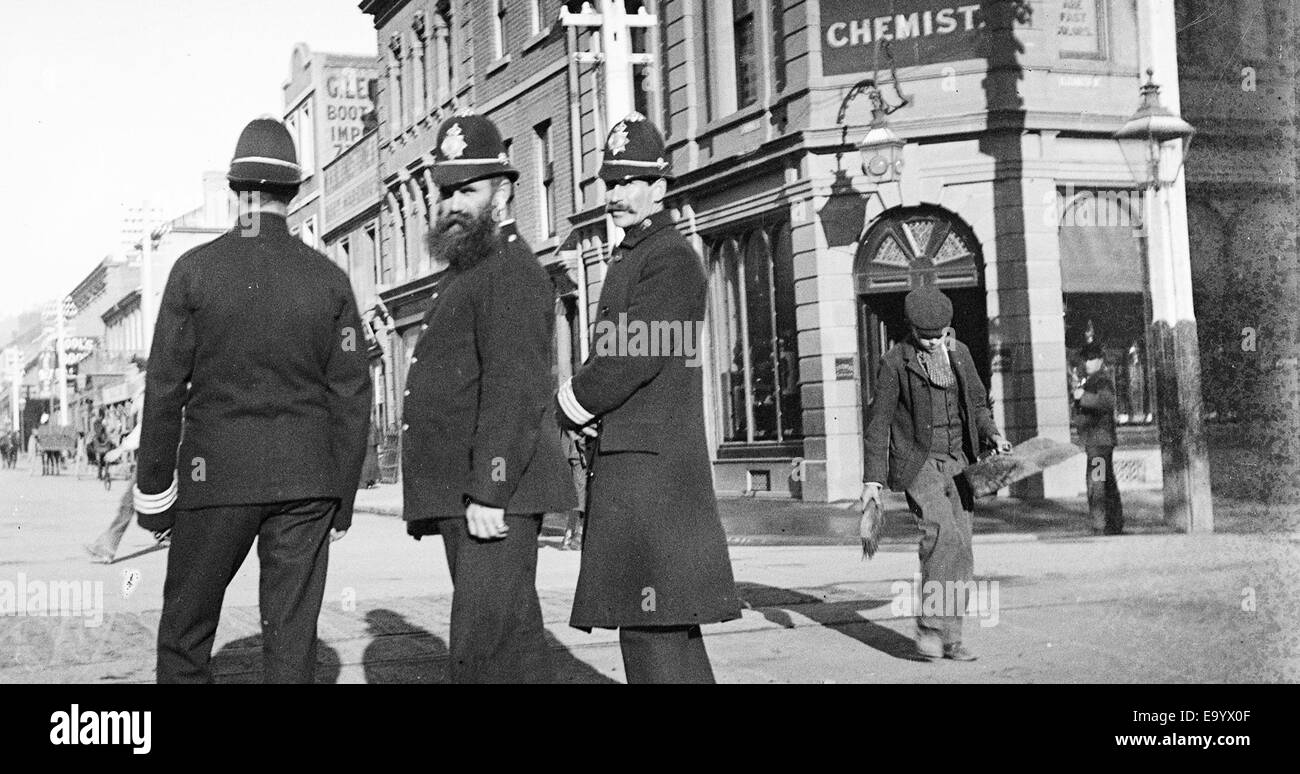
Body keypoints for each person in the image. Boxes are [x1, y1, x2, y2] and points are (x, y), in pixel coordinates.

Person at [133, 117, 372, 683]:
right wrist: (341, 495)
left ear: (237, 192)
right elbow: (352, 392)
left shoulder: (193, 272)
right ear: (292, 192)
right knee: (293, 643)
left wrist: (154, 495)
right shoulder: (330, 280)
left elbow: (165, 388)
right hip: (306, 483)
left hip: (213, 478)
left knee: (186, 636)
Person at [556, 112, 741, 683]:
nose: (614, 196)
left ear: (658, 187)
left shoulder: (665, 257)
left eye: (627, 183)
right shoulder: (637, 255)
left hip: (652, 476)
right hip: (644, 467)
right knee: (668, 632)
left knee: (651, 631)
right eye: (609, 184)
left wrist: (571, 405)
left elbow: (633, 356)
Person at [400, 110, 576, 683]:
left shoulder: (508, 270)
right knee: (514, 651)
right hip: (474, 493)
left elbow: (516, 389)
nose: (452, 204)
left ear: (500, 195)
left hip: (494, 496)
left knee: (482, 658)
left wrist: (489, 490)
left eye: (466, 191)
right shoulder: (472, 269)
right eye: (445, 191)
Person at [860, 286, 1012, 662]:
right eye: (925, 338)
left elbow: (977, 403)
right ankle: (929, 625)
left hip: (959, 461)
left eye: (939, 336)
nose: (932, 343)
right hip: (919, 463)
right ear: (912, 331)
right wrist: (872, 481)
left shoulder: (960, 354)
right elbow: (878, 423)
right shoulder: (894, 362)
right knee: (941, 534)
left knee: (961, 547)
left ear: (948, 329)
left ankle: (952, 637)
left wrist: (993, 433)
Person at [1073, 341, 1123, 535]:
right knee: (1105, 483)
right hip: (1098, 443)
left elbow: (1106, 401)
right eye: (1086, 359)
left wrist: (1082, 397)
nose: (1088, 362)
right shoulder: (1093, 380)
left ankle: (1100, 525)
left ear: (1100, 361)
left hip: (1099, 444)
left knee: (1097, 484)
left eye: (1092, 359)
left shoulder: (1101, 381)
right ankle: (1113, 524)